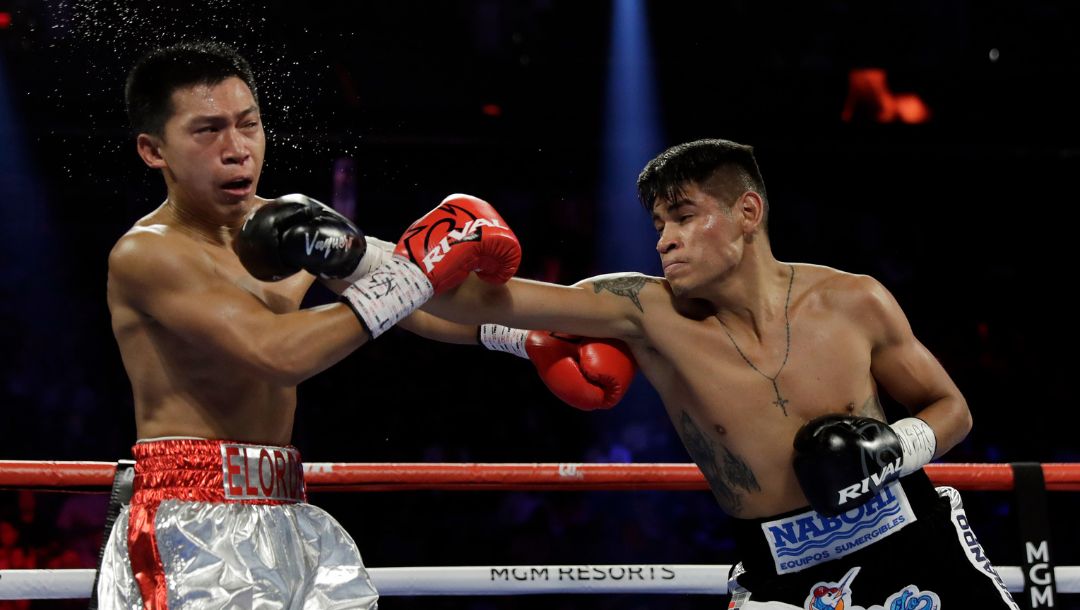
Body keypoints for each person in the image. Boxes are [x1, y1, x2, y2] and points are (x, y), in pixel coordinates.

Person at [98, 40, 629, 609]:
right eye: (207, 131)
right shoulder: (147, 254)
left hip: (284, 509)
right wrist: (414, 273)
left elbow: (416, 301)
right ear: (154, 150)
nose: (237, 150)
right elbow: (276, 351)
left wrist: (526, 336)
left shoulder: (288, 226)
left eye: (248, 125)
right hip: (191, 522)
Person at [426, 138, 1019, 609]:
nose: (665, 240)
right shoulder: (644, 311)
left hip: (910, 535)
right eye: (658, 224)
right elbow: (470, 307)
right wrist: (363, 262)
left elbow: (952, 408)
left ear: (747, 212)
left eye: (683, 217)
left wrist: (894, 448)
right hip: (781, 571)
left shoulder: (852, 300)